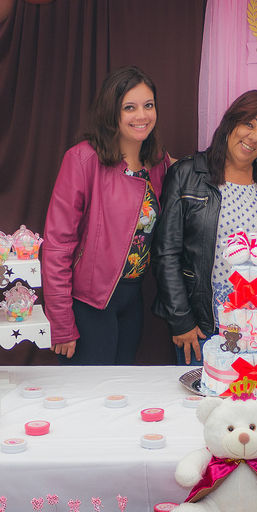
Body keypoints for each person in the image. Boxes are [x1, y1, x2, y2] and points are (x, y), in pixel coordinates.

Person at [152, 90, 257, 366]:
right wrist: (182, 321)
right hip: (205, 324)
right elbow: (165, 253)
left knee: (255, 403)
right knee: (206, 402)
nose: (254, 137)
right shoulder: (188, 174)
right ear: (230, 122)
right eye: (249, 124)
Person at [42, 66, 170, 365]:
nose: (142, 115)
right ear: (112, 112)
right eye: (130, 107)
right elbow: (57, 244)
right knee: (87, 400)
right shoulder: (83, 159)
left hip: (132, 299)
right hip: (88, 304)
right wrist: (61, 320)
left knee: (119, 395)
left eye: (148, 105)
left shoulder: (158, 162)